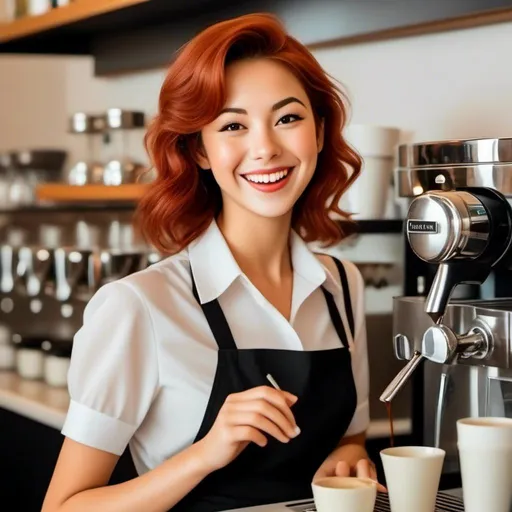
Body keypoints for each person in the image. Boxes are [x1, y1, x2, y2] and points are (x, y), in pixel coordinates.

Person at [42, 12, 382, 512]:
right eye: (233, 125)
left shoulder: (341, 286)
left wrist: (348, 457)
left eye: (288, 118)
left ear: (320, 129)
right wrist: (204, 454)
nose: (265, 148)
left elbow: (350, 437)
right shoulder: (138, 306)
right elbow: (64, 507)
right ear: (199, 150)